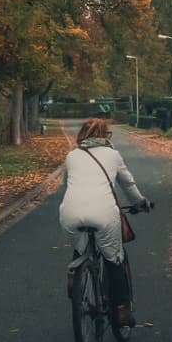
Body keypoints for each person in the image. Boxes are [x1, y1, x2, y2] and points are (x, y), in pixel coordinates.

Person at [59, 117, 151, 326]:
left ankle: (76, 273)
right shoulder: (112, 155)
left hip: (70, 212)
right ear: (104, 135)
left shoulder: (71, 156)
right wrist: (141, 203)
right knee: (114, 259)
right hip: (103, 212)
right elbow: (128, 184)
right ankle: (122, 311)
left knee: (81, 246)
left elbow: (66, 184)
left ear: (82, 135)